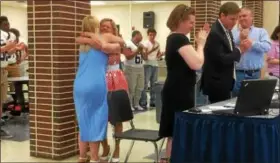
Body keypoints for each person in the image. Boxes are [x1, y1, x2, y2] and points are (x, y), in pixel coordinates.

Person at [159, 4, 208, 162]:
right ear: (180, 21)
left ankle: (171, 158)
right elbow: (197, 64)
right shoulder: (179, 38)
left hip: (178, 89)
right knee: (176, 130)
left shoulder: (174, 38)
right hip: (178, 91)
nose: (192, 26)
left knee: (175, 132)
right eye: (191, 22)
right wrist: (201, 44)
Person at [74, 15, 125, 163]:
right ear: (96, 26)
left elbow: (118, 45)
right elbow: (120, 43)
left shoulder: (82, 42)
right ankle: (95, 158)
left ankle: (83, 157)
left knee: (83, 121)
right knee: (96, 120)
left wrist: (88, 36)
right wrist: (98, 39)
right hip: (96, 84)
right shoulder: (104, 37)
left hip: (79, 84)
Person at [201, 2, 248, 104]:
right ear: (222, 15)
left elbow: (228, 51)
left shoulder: (226, 29)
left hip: (224, 80)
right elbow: (222, 58)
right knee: (219, 113)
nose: (235, 22)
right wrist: (240, 49)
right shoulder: (215, 32)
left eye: (236, 19)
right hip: (217, 82)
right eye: (232, 19)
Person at [231, 7, 271, 96]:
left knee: (254, 102)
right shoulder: (232, 32)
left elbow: (267, 47)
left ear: (251, 17)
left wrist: (252, 43)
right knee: (236, 102)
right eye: (239, 16)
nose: (241, 18)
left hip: (255, 74)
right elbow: (229, 50)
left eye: (244, 16)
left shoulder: (261, 32)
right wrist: (239, 39)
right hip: (238, 74)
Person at [140, 28, 163, 108]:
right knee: (145, 84)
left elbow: (157, 56)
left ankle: (153, 101)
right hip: (147, 64)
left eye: (153, 35)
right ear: (148, 35)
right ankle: (143, 101)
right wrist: (152, 49)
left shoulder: (157, 43)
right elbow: (145, 56)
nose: (152, 36)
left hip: (155, 65)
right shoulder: (145, 43)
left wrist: (161, 54)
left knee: (154, 84)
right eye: (150, 35)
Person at [124, 30, 147, 111]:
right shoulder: (128, 43)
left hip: (140, 67)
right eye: (140, 35)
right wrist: (138, 50)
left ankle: (136, 104)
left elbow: (145, 58)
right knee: (131, 88)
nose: (142, 37)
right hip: (131, 67)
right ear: (136, 35)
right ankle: (129, 105)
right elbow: (128, 56)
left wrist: (144, 51)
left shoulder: (140, 45)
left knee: (140, 87)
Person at [0, 15, 15, 139]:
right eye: (5, 24)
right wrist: (6, 48)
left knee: (1, 100)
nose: (8, 26)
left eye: (8, 24)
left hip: (3, 69)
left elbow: (4, 53)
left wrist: (12, 49)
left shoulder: (5, 36)